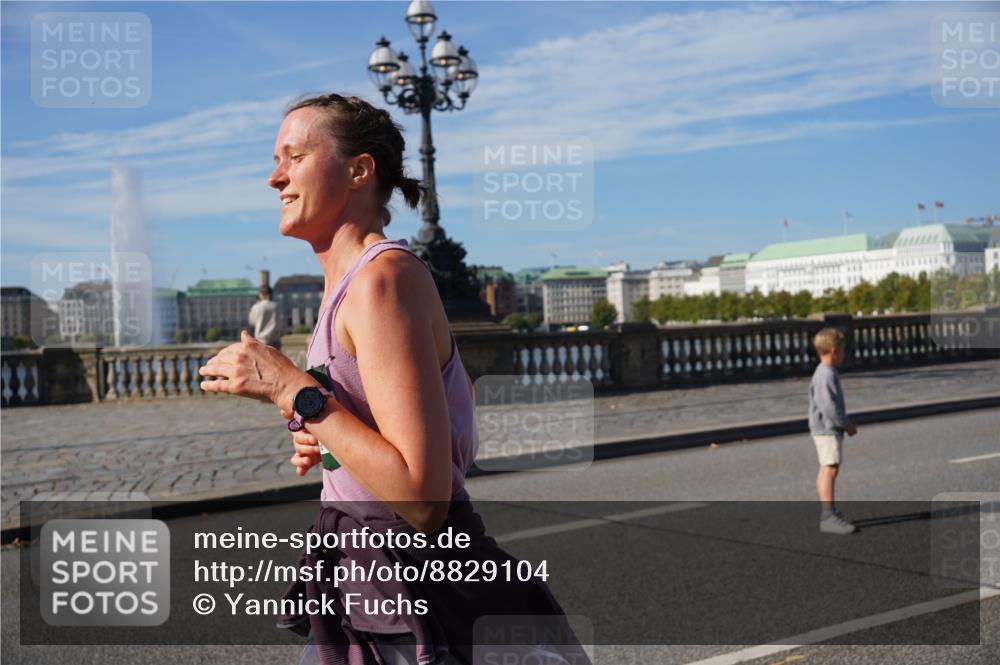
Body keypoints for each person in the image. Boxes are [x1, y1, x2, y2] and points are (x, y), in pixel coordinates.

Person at [198, 93, 586, 665]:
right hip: (374, 584)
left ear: (359, 170)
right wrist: (327, 424)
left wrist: (294, 390)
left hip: (414, 592)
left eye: (295, 156)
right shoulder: (350, 285)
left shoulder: (383, 281)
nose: (274, 177)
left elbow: (425, 500)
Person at [808, 328, 858, 535]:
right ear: (834, 351)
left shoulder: (824, 372)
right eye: (843, 350)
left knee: (826, 467)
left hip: (824, 427)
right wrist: (845, 423)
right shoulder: (826, 374)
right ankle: (828, 516)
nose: (845, 354)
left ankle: (829, 512)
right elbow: (829, 406)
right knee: (830, 468)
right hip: (828, 428)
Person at [248, 284, 283, 349]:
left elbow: (252, 322)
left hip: (261, 341)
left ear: (260, 294)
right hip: (275, 341)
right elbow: (280, 322)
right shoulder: (276, 306)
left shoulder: (256, 307)